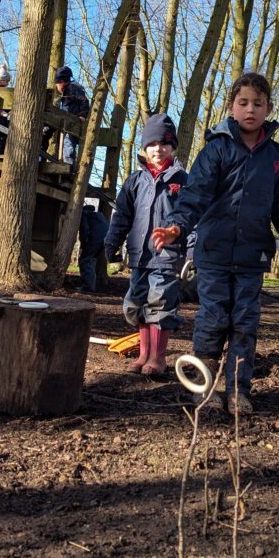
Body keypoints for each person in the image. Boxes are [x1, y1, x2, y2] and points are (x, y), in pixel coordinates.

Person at [152, 71, 279, 415]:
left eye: (258, 104)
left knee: (244, 324)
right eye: (243, 102)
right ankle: (203, 390)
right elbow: (194, 196)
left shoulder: (275, 157)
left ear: (268, 109)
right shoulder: (216, 149)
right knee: (213, 319)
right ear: (232, 107)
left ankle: (237, 392)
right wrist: (176, 226)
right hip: (214, 255)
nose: (250, 109)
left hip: (252, 257)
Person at [104, 114, 189, 376]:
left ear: (172, 147)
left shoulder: (181, 180)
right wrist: (112, 241)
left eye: (164, 144)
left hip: (167, 256)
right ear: (144, 147)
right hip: (139, 255)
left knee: (160, 303)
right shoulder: (134, 181)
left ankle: (158, 358)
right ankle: (143, 354)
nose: (158, 149)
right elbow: (122, 215)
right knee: (136, 303)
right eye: (152, 144)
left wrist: (192, 254)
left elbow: (191, 218)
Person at [42, 65, 90, 165]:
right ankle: (41, 155)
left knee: (68, 142)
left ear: (62, 82)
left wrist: (82, 115)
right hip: (67, 120)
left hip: (73, 123)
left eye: (57, 84)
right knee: (48, 130)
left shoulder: (72, 88)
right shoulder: (67, 91)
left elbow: (84, 101)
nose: (57, 86)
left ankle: (69, 166)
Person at [77, 203, 109, 293]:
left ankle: (88, 287)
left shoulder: (85, 214)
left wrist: (83, 243)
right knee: (92, 260)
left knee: (85, 261)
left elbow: (84, 229)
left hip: (94, 240)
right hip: (104, 241)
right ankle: (91, 285)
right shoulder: (100, 216)